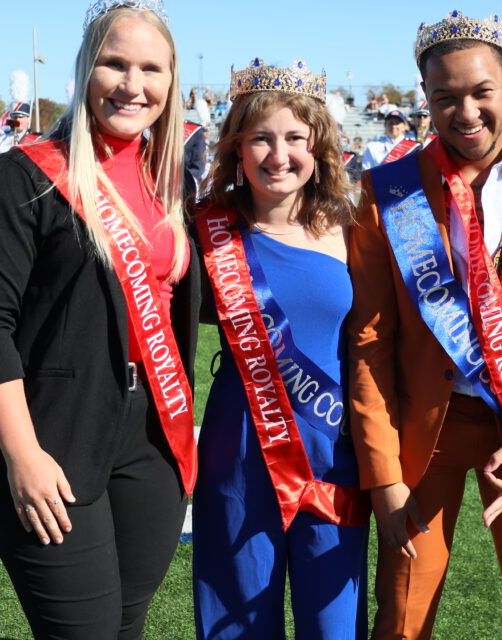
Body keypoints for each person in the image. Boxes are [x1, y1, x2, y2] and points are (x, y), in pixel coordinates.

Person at [0, 2, 199, 637]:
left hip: (154, 441)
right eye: (115, 64)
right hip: (53, 437)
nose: (133, 85)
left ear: (172, 81)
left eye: (152, 69)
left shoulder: (174, 185)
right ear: (86, 68)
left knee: (124, 627)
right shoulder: (22, 177)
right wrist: (22, 454)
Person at [349, 11, 502, 638]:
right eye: (444, 97)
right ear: (424, 98)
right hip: (420, 436)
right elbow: (370, 342)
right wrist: (381, 476)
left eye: (482, 92)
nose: (465, 112)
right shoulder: (386, 193)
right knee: (401, 618)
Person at [191, 57, 368, 640]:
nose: (278, 154)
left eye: (295, 137)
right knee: (236, 617)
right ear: (236, 148)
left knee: (334, 622)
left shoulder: (353, 229)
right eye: (260, 138)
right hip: (237, 446)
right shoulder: (205, 229)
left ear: (318, 146)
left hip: (334, 444)